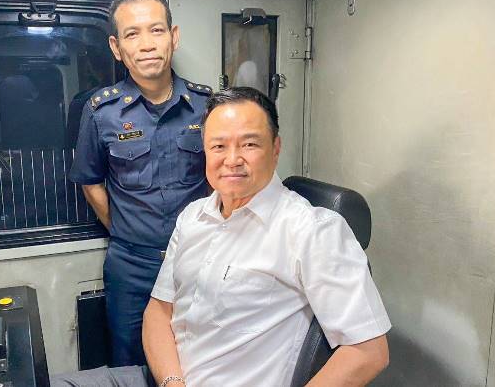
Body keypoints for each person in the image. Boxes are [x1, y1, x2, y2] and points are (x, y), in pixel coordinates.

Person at [142, 87, 391, 386]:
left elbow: (368, 352)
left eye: (249, 144)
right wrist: (172, 382)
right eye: (218, 146)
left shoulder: (312, 230)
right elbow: (159, 310)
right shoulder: (192, 217)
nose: (232, 159)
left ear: (275, 148)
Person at [68, 0, 211, 368]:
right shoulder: (101, 112)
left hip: (197, 259)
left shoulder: (206, 106)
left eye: (156, 30)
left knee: (199, 358)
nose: (146, 44)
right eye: (132, 34)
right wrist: (124, 230)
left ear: (173, 37)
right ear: (117, 48)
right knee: (130, 362)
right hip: (131, 266)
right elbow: (90, 182)